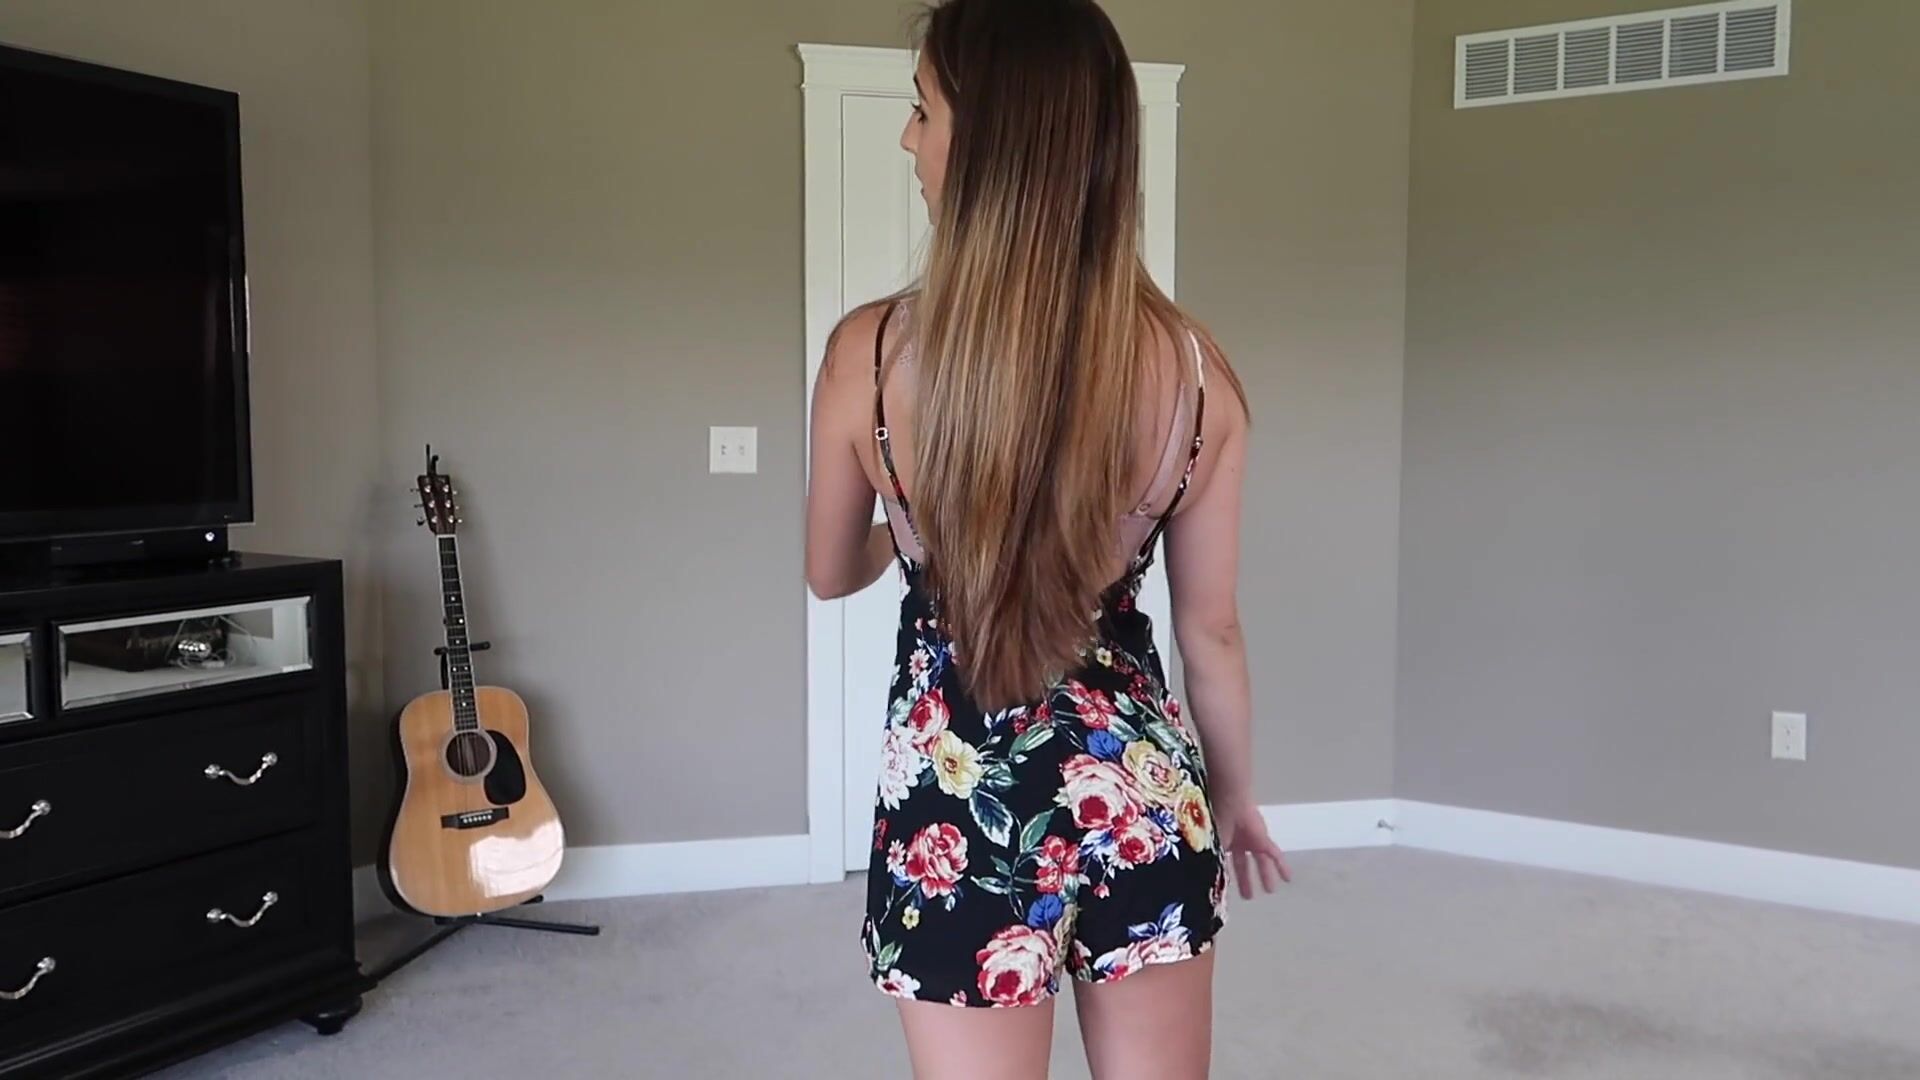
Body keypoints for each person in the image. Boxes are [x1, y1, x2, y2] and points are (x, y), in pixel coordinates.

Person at [805, 1, 1288, 1076]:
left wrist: (907, 531)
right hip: (1140, 795)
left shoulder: (867, 356)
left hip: (957, 804)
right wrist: (1235, 797)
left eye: (921, 110)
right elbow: (1211, 630)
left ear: (986, 144)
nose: (907, 140)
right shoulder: (1196, 370)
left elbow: (829, 572)